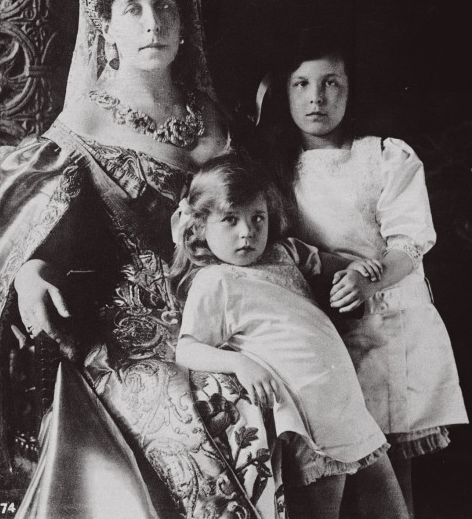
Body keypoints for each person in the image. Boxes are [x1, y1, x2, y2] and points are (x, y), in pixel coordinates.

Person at [0, 0, 277, 518]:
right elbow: (42, 239)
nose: (151, 24)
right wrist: (32, 277)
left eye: (165, 6)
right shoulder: (78, 130)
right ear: (105, 28)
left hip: (233, 306)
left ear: (185, 25)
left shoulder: (216, 118)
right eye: (132, 9)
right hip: (131, 328)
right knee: (202, 410)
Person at [255, 26, 469, 517]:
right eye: (301, 84)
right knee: (331, 460)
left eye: (332, 83)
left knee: (389, 464)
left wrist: (366, 277)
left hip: (389, 321)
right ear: (282, 91)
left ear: (351, 90)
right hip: (324, 326)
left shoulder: (383, 156)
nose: (317, 99)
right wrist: (328, 268)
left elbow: (409, 244)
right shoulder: (277, 169)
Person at [172, 153, 410, 519]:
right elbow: (187, 349)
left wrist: (356, 269)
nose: (247, 232)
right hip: (307, 415)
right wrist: (240, 363)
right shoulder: (214, 281)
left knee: (393, 511)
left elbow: (334, 266)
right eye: (230, 220)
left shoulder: (284, 253)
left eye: (257, 218)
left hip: (345, 402)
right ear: (201, 226)